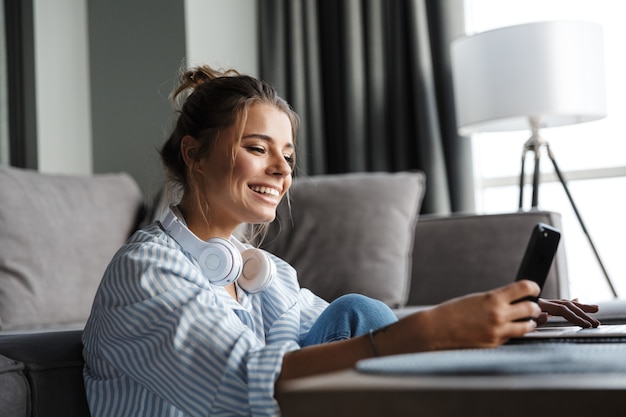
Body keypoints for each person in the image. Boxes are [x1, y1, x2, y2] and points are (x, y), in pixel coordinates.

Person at [82, 65, 600, 417]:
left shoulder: (264, 272)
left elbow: (361, 332)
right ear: (194, 154)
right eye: (257, 148)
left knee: (354, 312)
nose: (282, 168)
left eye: (287, 153)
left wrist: (482, 318)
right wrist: (426, 332)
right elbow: (242, 383)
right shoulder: (147, 271)